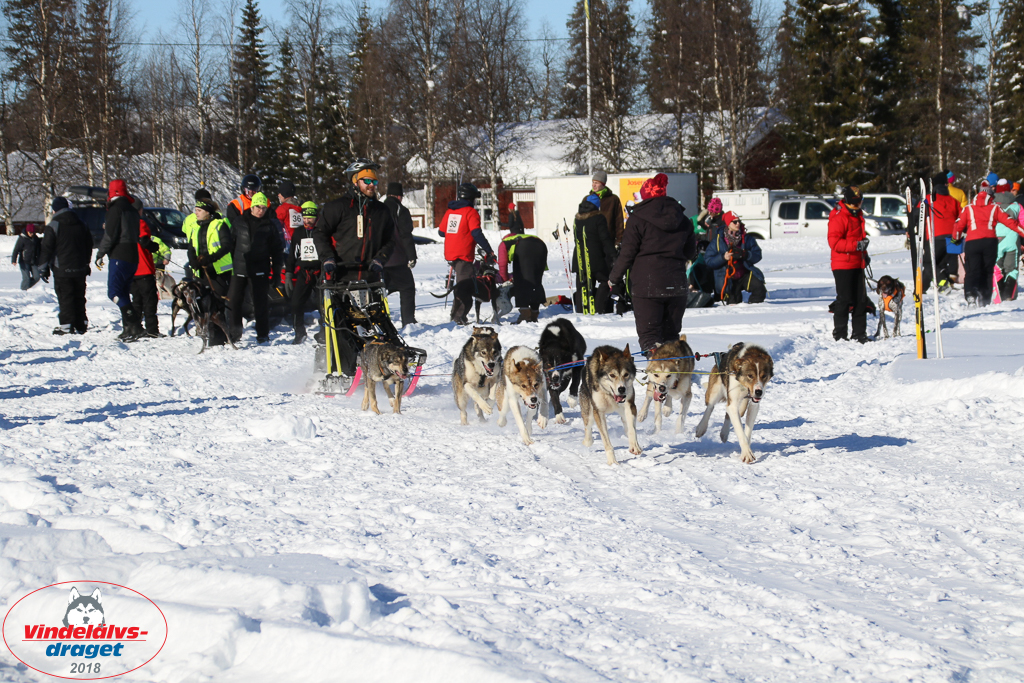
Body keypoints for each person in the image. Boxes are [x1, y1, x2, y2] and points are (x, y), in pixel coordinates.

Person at [312, 158, 397, 376]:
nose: (371, 185)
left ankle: (390, 362)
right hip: (338, 278)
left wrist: (381, 258)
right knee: (340, 327)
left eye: (374, 181)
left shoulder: (381, 211)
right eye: (366, 180)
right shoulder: (336, 207)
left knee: (378, 325)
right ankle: (342, 369)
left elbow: (391, 239)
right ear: (355, 181)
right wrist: (327, 259)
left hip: (369, 278)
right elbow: (320, 233)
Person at [608, 173, 696, 353]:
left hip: (647, 285)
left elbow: (627, 253)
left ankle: (657, 375)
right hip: (676, 284)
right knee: (671, 337)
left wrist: (614, 278)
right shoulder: (683, 219)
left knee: (650, 337)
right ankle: (672, 376)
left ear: (645, 195)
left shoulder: (637, 218)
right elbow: (690, 252)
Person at [229, 192, 285, 343]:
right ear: (252, 207)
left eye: (263, 208)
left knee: (260, 303)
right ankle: (235, 332)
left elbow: (277, 250)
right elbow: (231, 244)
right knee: (234, 301)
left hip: (260, 269)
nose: (260, 210)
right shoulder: (239, 222)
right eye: (258, 207)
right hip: (240, 268)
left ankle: (262, 333)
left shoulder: (270, 225)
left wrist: (277, 273)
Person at [952, 190, 1024, 306]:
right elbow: (1010, 222)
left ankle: (970, 294)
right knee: (987, 271)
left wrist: (955, 239)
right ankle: (985, 298)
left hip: (972, 242)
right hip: (989, 243)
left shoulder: (968, 208)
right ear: (990, 198)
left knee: (971, 271)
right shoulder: (994, 208)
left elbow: (959, 225)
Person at [438, 182, 494, 325]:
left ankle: (456, 315)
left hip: (451, 254)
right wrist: (488, 249)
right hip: (463, 255)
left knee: (460, 286)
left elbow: (441, 232)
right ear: (471, 198)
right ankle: (458, 318)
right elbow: (476, 233)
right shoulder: (470, 212)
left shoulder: (450, 211)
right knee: (465, 287)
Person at [95, 179, 144, 341]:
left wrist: (100, 253)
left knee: (114, 292)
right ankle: (128, 328)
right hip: (133, 255)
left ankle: (135, 324)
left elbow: (110, 235)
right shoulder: (131, 210)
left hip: (119, 254)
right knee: (124, 292)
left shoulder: (115, 210)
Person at [39, 197, 93, 334]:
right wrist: (86, 263)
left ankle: (67, 325)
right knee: (79, 295)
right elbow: (89, 245)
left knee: (65, 296)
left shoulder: (54, 225)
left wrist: (43, 268)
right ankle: (81, 323)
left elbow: (47, 248)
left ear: (54, 209)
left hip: (62, 268)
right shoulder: (81, 223)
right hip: (80, 267)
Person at [186, 196, 234, 346]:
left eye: (199, 210)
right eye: (195, 210)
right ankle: (208, 335)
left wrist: (210, 259)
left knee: (218, 305)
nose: (196, 213)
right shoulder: (195, 227)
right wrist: (194, 261)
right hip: (202, 272)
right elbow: (191, 248)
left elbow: (227, 246)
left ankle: (222, 337)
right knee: (204, 305)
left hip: (218, 271)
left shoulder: (219, 225)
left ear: (207, 212)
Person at [828, 186, 871, 343]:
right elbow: (834, 243)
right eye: (854, 203)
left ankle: (859, 334)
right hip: (842, 265)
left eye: (859, 202)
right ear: (846, 201)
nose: (857, 205)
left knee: (861, 300)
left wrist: (864, 254)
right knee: (844, 300)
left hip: (857, 262)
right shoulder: (839, 217)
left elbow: (860, 239)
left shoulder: (858, 216)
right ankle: (840, 335)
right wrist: (856, 246)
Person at [908, 172, 962, 293]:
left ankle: (943, 282)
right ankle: (921, 289)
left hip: (935, 236)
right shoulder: (953, 201)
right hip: (953, 237)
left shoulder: (927, 199)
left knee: (928, 263)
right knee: (939, 264)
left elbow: (915, 215)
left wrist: (910, 230)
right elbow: (962, 217)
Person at [704, 211, 767, 305]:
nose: (738, 224)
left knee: (760, 290)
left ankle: (753, 310)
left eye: (739, 221)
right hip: (727, 278)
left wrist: (745, 254)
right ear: (728, 224)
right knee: (734, 303)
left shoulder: (747, 238)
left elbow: (757, 255)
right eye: (734, 222)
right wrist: (723, 257)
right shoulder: (717, 240)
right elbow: (708, 260)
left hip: (744, 274)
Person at [570, 193, 615, 314]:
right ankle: (598, 308)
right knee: (605, 281)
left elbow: (576, 238)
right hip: (595, 257)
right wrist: (614, 255)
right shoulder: (599, 218)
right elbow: (605, 238)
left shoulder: (577, 218)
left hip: (579, 256)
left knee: (582, 285)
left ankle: (581, 310)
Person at [499, 216, 548, 324]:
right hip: (541, 245)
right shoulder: (524, 236)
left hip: (524, 248)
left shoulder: (504, 242)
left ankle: (525, 314)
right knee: (536, 280)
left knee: (521, 281)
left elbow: (502, 265)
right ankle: (535, 312)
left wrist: (505, 280)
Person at [382, 182, 418, 327]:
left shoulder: (379, 209)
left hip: (380, 259)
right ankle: (408, 321)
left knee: (380, 291)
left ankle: (380, 321)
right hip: (397, 259)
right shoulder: (400, 210)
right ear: (399, 196)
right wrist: (411, 256)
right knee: (407, 289)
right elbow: (405, 235)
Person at [285, 201, 321, 344]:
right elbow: (292, 254)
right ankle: (299, 331)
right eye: (305, 218)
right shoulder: (299, 232)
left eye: (310, 218)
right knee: (296, 303)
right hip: (304, 273)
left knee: (322, 304)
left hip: (319, 272)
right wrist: (289, 273)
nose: (307, 221)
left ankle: (325, 330)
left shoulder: (321, 231)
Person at [130, 217, 164, 338]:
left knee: (136, 301)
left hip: (130, 268)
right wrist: (154, 246)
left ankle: (135, 327)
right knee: (149, 301)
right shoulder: (139, 222)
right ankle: (152, 329)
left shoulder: (122, 222)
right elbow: (144, 241)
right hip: (143, 268)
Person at [591, 169, 625, 246]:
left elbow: (619, 221)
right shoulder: (587, 199)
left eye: (596, 183)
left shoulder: (613, 199)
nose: (593, 185)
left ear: (603, 184)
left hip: (609, 241)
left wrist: (619, 240)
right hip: (592, 242)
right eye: (593, 182)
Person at [11, 223, 42, 290]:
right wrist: (14, 260)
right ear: (27, 231)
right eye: (30, 232)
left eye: (33, 232)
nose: (31, 234)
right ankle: (23, 290)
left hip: (34, 261)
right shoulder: (22, 239)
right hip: (24, 261)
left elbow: (39, 250)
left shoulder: (35, 239)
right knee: (26, 278)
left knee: (37, 277)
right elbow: (16, 250)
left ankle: (26, 287)